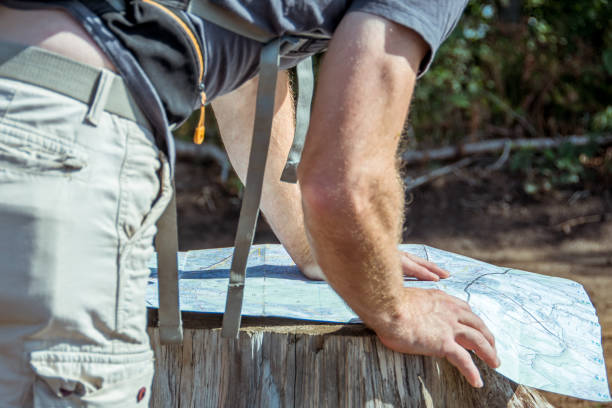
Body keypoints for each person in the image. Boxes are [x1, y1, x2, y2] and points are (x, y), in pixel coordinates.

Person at [0, 1, 499, 406]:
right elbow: (346, 181)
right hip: (59, 128)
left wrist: (315, 247)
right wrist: (396, 310)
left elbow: (242, 79)